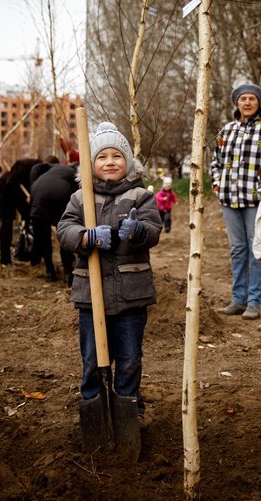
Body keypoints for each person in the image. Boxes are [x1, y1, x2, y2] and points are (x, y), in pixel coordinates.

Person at [57, 122, 161, 420]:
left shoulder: (140, 196)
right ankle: (93, 405)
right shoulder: (80, 198)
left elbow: (154, 230)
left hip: (131, 295)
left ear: (127, 161)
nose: (110, 162)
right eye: (102, 157)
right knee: (92, 358)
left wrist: (138, 229)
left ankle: (130, 406)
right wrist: (86, 237)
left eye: (116, 156)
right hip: (92, 294)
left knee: (129, 358)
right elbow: (64, 229)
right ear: (91, 164)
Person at [210, 83, 261, 320]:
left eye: (252, 99)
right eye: (243, 98)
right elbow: (216, 162)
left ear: (259, 102)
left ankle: (254, 302)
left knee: (258, 250)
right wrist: (217, 185)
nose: (247, 102)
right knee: (238, 250)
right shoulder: (227, 131)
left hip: (256, 202)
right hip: (230, 200)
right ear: (236, 103)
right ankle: (238, 300)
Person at [30, 160, 79, 284]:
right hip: (60, 194)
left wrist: (32, 183)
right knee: (65, 233)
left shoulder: (54, 168)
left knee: (43, 238)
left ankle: (50, 272)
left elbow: (36, 166)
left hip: (36, 191)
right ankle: (68, 273)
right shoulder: (75, 173)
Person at [0, 157, 41, 267]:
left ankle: (31, 255)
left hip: (19, 192)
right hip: (6, 192)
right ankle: (5, 259)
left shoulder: (38, 170)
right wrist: (25, 199)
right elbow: (10, 183)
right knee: (7, 225)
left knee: (31, 220)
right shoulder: (24, 165)